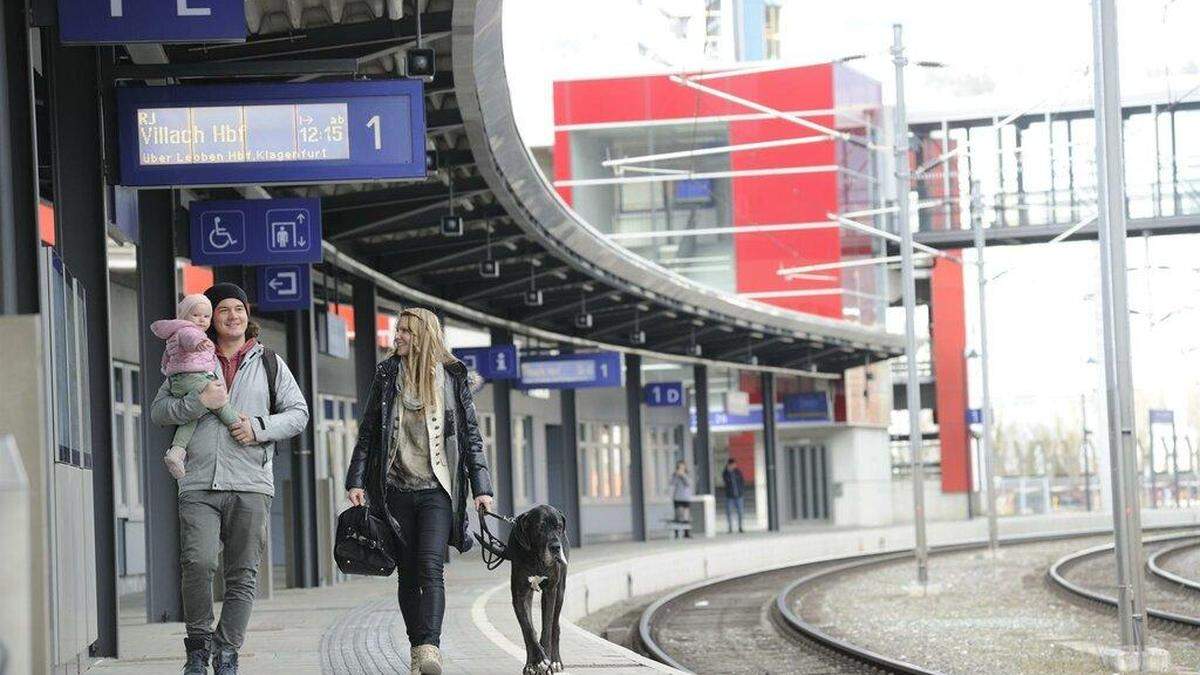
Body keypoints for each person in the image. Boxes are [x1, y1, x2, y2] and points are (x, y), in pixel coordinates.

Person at [151, 283, 309, 675]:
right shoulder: (187, 355)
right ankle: (198, 645)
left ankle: (226, 651)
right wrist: (195, 403)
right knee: (198, 562)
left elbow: (298, 413)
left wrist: (257, 427)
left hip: (250, 482)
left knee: (242, 573)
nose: (232, 315)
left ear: (247, 313)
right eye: (223, 309)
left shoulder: (269, 361)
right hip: (198, 481)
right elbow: (159, 411)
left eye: (239, 308)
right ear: (208, 316)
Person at [345, 307, 494, 675]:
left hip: (437, 490)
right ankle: (417, 648)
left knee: (431, 566)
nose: (398, 337)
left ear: (424, 335)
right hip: (395, 489)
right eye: (397, 331)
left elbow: (472, 437)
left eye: (406, 332)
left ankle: (430, 647)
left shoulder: (452, 376)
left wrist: (482, 488)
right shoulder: (387, 373)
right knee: (408, 573)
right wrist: (356, 480)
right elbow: (368, 432)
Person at [150, 293, 242, 479]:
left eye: (206, 316)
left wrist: (168, 370)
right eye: (196, 315)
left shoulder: (174, 334)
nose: (201, 320)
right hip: (193, 377)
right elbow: (190, 340)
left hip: (180, 379)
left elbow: (167, 358)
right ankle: (238, 424)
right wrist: (199, 343)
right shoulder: (189, 331)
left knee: (192, 415)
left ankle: (177, 451)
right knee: (218, 401)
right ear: (185, 316)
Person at [668, 461, 692, 538]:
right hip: (678, 498)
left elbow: (688, 483)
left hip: (686, 497)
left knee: (686, 516)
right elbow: (672, 483)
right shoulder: (675, 476)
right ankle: (676, 532)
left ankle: (686, 532)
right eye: (679, 467)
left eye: (682, 467)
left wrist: (683, 475)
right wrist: (676, 475)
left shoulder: (687, 475)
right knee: (678, 515)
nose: (681, 469)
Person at [722, 458, 746, 533]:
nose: (734, 466)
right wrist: (729, 471)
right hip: (730, 496)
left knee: (740, 512)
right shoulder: (725, 473)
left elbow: (742, 481)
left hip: (739, 495)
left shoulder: (738, 472)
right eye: (733, 465)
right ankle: (730, 527)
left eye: (735, 464)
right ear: (729, 465)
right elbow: (726, 481)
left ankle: (740, 527)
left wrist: (741, 490)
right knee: (729, 512)